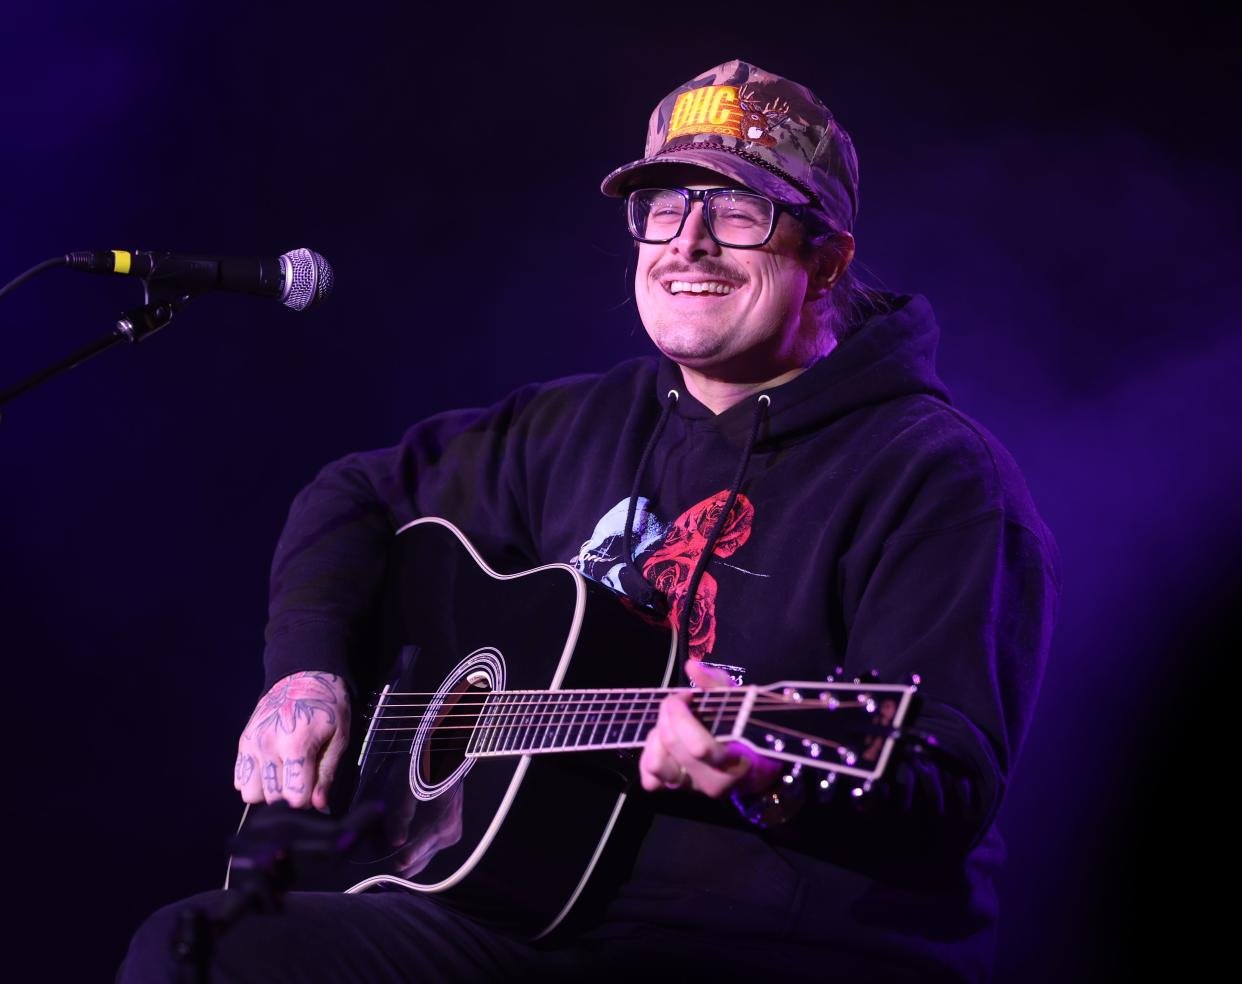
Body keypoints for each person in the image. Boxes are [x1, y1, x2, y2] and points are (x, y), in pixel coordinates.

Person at [121, 59, 1059, 982]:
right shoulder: (576, 422)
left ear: (827, 259)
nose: (689, 243)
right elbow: (353, 495)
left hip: (771, 947)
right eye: (664, 207)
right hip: (521, 915)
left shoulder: (937, 475)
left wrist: (768, 781)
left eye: (738, 210)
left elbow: (947, 774)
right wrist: (308, 673)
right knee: (201, 946)